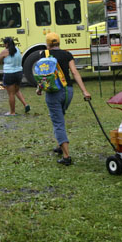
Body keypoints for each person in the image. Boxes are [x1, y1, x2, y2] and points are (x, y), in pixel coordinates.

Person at [37, 32, 91, 166]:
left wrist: (39, 89)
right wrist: (84, 91)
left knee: (58, 122)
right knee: (59, 116)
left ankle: (66, 156)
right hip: (68, 92)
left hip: (53, 93)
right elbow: (74, 72)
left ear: (48, 44)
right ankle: (60, 146)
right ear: (59, 43)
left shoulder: (44, 54)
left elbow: (43, 76)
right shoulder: (67, 54)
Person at [0, 37, 30, 116]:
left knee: (11, 94)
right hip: (19, 73)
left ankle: (12, 112)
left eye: (4, 44)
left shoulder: (4, 52)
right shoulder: (18, 50)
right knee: (16, 90)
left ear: (7, 44)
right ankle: (25, 104)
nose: (4, 46)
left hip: (9, 74)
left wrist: (3, 60)